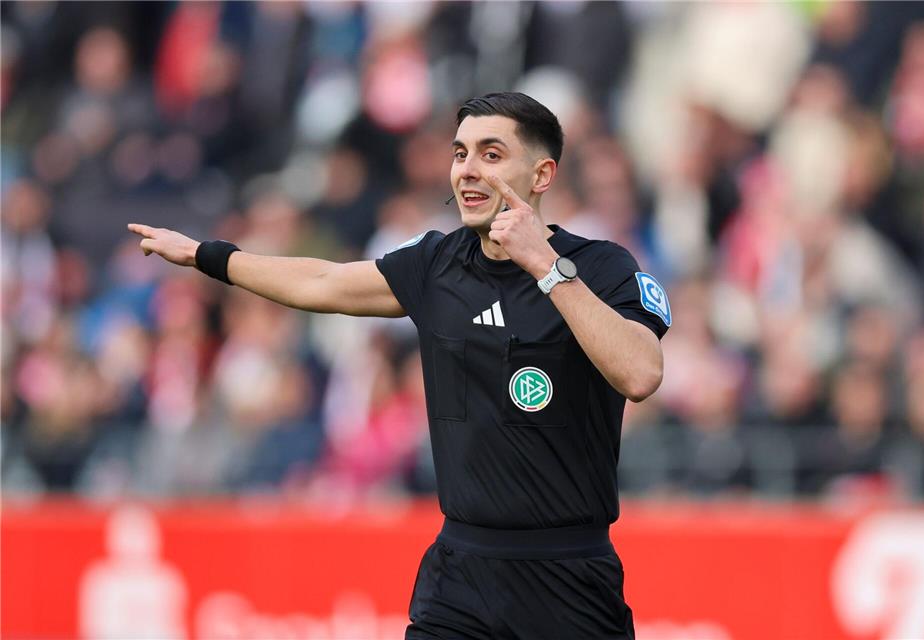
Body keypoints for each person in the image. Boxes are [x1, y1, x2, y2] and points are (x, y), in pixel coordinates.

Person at [128, 92, 670, 639]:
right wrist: (207, 256)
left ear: (542, 174)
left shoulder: (602, 267)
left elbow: (641, 374)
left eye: (491, 154)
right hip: (461, 572)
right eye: (460, 154)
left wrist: (546, 266)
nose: (468, 171)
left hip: (568, 577)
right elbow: (323, 281)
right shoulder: (436, 264)